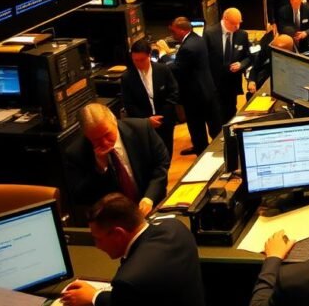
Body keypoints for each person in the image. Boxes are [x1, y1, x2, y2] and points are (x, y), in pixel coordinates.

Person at [60, 193, 204, 306]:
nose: (97, 246)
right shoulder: (175, 226)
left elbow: (122, 301)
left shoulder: (128, 281)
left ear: (118, 234)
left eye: (98, 239)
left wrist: (94, 297)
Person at [65, 104, 170, 217]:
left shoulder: (141, 128)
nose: (104, 142)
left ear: (114, 120)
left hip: (152, 205)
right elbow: (81, 197)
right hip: (114, 218)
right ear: (86, 135)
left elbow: (161, 164)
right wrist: (101, 168)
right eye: (96, 140)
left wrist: (149, 197)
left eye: (107, 134)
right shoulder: (75, 153)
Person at [155, 17, 220, 155]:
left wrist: (163, 53)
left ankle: (202, 152)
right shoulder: (196, 38)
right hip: (206, 89)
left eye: (173, 31)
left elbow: (176, 68)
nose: (172, 34)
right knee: (212, 126)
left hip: (195, 95)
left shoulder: (188, 47)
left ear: (182, 30)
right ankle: (206, 148)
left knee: (196, 127)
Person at [120, 38, 179, 155]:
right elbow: (129, 104)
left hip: (165, 120)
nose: (138, 64)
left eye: (142, 60)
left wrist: (161, 116)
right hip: (143, 125)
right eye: (135, 60)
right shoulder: (127, 77)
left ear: (149, 55)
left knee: (167, 153)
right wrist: (147, 121)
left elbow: (174, 92)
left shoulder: (162, 70)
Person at [203, 8, 253, 123]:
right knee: (216, 116)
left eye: (239, 23)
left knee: (230, 113)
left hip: (232, 84)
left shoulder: (242, 35)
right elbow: (204, 60)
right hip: (214, 84)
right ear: (225, 19)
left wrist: (241, 64)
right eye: (234, 23)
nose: (237, 26)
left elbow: (249, 56)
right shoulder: (209, 34)